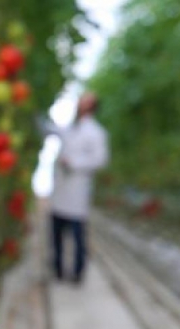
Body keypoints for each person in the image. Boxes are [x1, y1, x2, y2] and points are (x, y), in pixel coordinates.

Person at [49, 92, 109, 284]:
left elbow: (100, 159)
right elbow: (53, 130)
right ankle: (58, 269)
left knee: (77, 236)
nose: (80, 103)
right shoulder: (70, 128)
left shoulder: (96, 132)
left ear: (92, 106)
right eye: (80, 100)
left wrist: (74, 162)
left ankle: (77, 273)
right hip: (61, 190)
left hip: (77, 190)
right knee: (56, 234)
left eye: (85, 101)